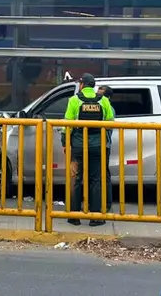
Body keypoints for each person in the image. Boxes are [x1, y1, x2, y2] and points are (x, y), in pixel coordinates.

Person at [62, 74, 115, 226]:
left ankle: (74, 216)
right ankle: (95, 217)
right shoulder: (104, 101)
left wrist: (65, 143)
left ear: (82, 85)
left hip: (78, 145)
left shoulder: (74, 100)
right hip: (97, 146)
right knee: (96, 179)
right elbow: (110, 123)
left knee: (76, 178)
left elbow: (67, 125)